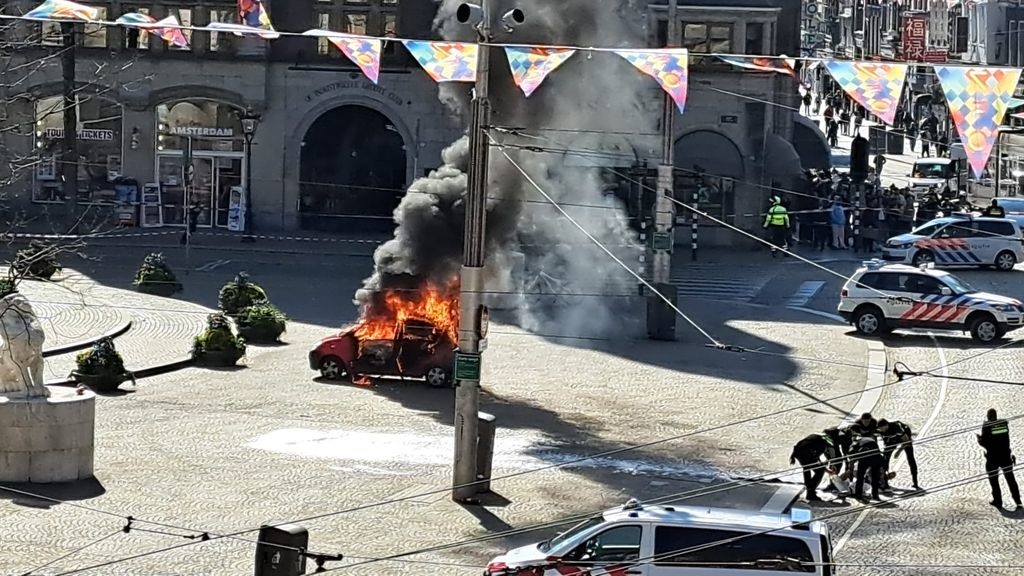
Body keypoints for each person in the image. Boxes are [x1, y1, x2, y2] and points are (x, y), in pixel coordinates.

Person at [977, 408, 1021, 509]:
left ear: (988, 416)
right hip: (1005, 455)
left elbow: (985, 442)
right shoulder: (1003, 424)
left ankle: (998, 500)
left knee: (993, 479)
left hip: (993, 457)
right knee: (1010, 478)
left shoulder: (987, 426)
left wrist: (980, 440)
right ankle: (1018, 500)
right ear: (996, 416)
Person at [791, 432, 842, 501]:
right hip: (804, 454)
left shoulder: (817, 437)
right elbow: (816, 459)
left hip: (798, 452)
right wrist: (826, 470)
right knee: (819, 471)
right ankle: (810, 492)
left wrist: (828, 465)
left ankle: (810, 489)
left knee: (807, 469)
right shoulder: (821, 445)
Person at [878, 419, 920, 490]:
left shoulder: (896, 427)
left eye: (882, 429)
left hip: (905, 439)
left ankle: (915, 482)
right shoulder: (881, 431)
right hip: (892, 439)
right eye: (880, 429)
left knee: (910, 458)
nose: (882, 430)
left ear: (886, 426)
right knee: (885, 458)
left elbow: (906, 441)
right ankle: (884, 481)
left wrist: (898, 451)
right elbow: (886, 443)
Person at [849, 434, 885, 501]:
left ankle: (858, 495)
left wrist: (851, 467)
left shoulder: (855, 443)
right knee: (875, 477)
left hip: (864, 459)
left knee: (860, 476)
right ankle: (875, 495)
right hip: (876, 458)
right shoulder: (868, 439)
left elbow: (851, 454)